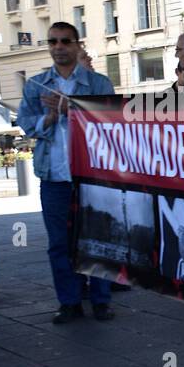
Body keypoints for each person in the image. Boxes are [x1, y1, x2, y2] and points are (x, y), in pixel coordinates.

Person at [16, 22, 117, 324]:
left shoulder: (98, 84)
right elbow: (25, 123)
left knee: (98, 240)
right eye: (53, 41)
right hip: (54, 177)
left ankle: (101, 301)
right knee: (59, 244)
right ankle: (69, 302)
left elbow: (109, 125)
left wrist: (69, 111)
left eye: (64, 41)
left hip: (92, 177)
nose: (58, 47)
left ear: (77, 45)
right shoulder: (36, 85)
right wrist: (48, 117)